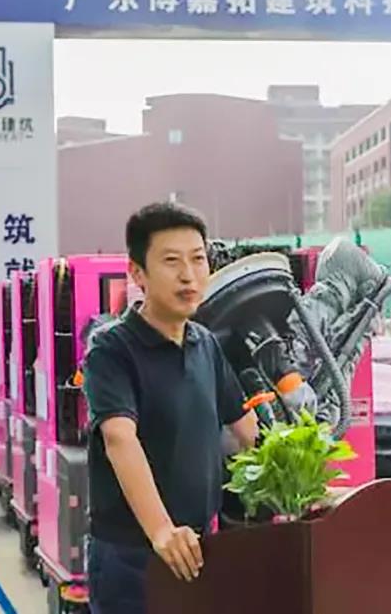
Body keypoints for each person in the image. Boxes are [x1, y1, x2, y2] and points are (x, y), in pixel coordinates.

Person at [82, 202, 259, 614]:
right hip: (132, 555)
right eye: (171, 261)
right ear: (137, 273)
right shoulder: (111, 349)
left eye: (197, 259)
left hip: (198, 547)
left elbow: (246, 427)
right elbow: (119, 439)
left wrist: (304, 486)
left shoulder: (205, 343)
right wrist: (161, 530)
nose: (188, 275)